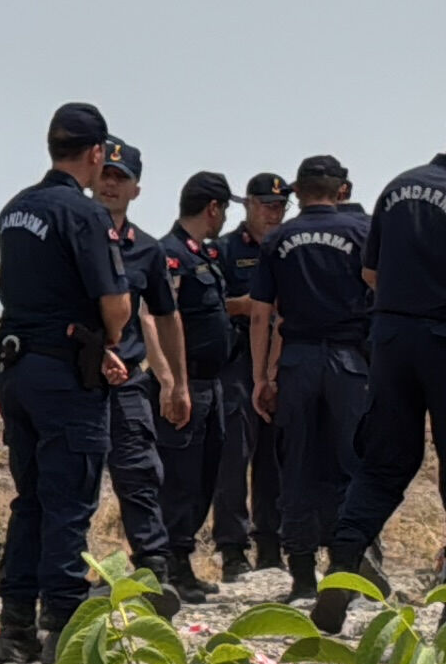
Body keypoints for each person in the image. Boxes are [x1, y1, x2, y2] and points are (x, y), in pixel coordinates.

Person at [313, 93, 446, 633]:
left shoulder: (398, 186)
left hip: (391, 338)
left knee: (382, 462)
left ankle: (342, 567)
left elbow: (371, 273)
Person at [0, 102, 163, 664]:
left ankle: (13, 624)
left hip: (16, 365)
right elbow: (116, 302)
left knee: (32, 498)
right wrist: (110, 345)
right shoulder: (82, 214)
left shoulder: (16, 208)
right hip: (65, 371)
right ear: (94, 154)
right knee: (69, 499)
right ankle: (62, 622)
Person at [250, 155, 375, 601]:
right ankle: (346, 570)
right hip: (348, 362)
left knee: (297, 468)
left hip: (298, 361)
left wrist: (261, 378)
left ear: (298, 192)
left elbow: (263, 314)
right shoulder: (362, 232)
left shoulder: (279, 239)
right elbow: (380, 291)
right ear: (341, 190)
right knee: (350, 466)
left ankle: (302, 575)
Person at [96, 140, 198, 598]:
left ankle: (153, 572)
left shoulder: (147, 249)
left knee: (140, 473)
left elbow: (165, 314)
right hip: (73, 378)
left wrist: (176, 383)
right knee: (66, 483)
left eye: (122, 178)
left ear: (137, 189)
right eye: (106, 175)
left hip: (129, 382)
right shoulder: (72, 229)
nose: (111, 185)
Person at [156, 171, 239, 582]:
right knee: (180, 477)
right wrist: (174, 383)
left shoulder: (203, 255)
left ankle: (182, 558)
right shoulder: (171, 255)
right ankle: (171, 561)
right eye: (223, 209)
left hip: (213, 384)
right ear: (213, 208)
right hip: (187, 387)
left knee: (205, 475)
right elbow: (160, 317)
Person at [214, 173, 289, 577]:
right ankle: (231, 548)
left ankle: (271, 545)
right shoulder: (226, 249)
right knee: (234, 453)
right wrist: (247, 305)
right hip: (238, 357)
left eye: (280, 206)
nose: (273, 214)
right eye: (266, 205)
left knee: (275, 456)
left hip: (282, 356)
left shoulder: (288, 246)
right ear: (247, 206)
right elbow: (210, 304)